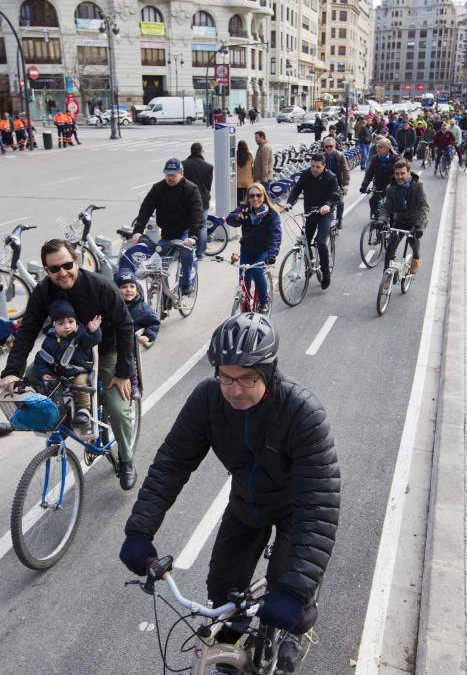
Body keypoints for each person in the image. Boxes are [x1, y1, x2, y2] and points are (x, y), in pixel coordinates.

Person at [119, 312, 340, 675]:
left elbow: (320, 507)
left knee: (293, 605)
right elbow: (172, 463)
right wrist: (140, 531)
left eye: (247, 379)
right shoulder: (208, 399)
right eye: (226, 376)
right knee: (222, 588)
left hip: (294, 511)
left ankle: (295, 629)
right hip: (246, 506)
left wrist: (297, 589)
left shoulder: (303, 414)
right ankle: (231, 651)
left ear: (268, 373)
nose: (234, 390)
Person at [0, 239, 138, 490]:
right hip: (63, 350)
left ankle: (126, 460)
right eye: (54, 269)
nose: (62, 272)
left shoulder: (101, 286)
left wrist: (123, 373)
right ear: (46, 270)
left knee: (118, 406)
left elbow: (126, 325)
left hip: (106, 345)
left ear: (76, 261)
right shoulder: (43, 291)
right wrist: (11, 373)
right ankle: (38, 420)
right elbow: (28, 331)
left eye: (67, 265)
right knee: (31, 380)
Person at [131, 158, 204, 296]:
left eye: (174, 175)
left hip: (185, 231)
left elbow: (197, 214)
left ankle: (186, 283)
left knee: (186, 252)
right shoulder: (158, 188)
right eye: (168, 174)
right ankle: (165, 294)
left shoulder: (190, 189)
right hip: (167, 232)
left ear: (181, 174)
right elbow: (146, 209)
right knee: (158, 262)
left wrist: (193, 236)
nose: (170, 178)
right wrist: (138, 231)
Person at [33, 300, 102, 426]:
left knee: (80, 384)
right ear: (54, 325)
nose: (67, 326)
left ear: (76, 322)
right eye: (61, 323)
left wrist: (93, 331)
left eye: (71, 322)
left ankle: (83, 410)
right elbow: (41, 359)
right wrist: (44, 373)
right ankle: (58, 414)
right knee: (49, 387)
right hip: (61, 376)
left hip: (80, 372)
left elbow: (93, 341)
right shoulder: (49, 341)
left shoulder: (81, 336)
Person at [285, 153, 340, 290]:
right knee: (305, 240)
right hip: (309, 213)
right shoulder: (305, 175)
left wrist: (328, 205)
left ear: (324, 166)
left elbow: (335, 195)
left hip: (324, 214)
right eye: (312, 166)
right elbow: (296, 190)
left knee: (320, 242)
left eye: (318, 167)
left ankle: (326, 274)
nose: (314, 169)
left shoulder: (331, 177)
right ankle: (309, 265)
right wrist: (289, 203)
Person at [226, 183, 281, 314]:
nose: (255, 198)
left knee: (257, 271)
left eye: (258, 195)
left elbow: (275, 235)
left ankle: (263, 301)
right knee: (243, 279)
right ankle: (245, 308)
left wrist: (272, 254)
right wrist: (236, 217)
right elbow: (229, 219)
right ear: (248, 198)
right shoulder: (244, 210)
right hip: (247, 250)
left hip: (264, 250)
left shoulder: (272, 214)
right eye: (251, 196)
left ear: (264, 196)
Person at [115, 270, 160, 399]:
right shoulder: (114, 306)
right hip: (113, 342)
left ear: (137, 289)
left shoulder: (142, 308)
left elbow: (154, 323)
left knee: (129, 360)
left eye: (132, 286)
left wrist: (147, 335)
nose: (128, 290)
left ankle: (134, 382)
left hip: (130, 345)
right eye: (123, 287)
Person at [380, 158, 430, 276]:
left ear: (408, 172)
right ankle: (387, 275)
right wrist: (382, 218)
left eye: (402, 173)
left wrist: (419, 225)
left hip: (416, 220)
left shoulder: (418, 185)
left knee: (412, 239)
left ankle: (416, 258)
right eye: (397, 174)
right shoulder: (391, 188)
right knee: (391, 246)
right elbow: (387, 206)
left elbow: (424, 205)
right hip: (401, 220)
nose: (399, 176)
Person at [182, 143, 214, 259]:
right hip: (203, 199)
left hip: (186, 200)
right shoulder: (209, 166)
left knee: (185, 225)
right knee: (203, 226)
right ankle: (200, 253)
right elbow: (209, 185)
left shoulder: (183, 165)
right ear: (200, 151)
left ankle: (186, 251)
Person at [360, 138, 400, 218]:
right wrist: (364, 186)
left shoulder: (396, 159)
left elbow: (401, 174)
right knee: (373, 200)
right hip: (379, 185)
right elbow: (369, 173)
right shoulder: (375, 159)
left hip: (392, 185)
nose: (378, 149)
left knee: (393, 206)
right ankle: (377, 216)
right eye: (377, 146)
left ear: (387, 148)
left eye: (381, 147)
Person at [323, 137, 350, 230]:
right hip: (326, 184)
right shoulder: (322, 157)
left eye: (331, 146)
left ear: (334, 146)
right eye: (327, 147)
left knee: (340, 202)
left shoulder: (340, 156)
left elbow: (346, 170)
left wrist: (346, 185)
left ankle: (339, 220)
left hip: (338, 184)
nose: (329, 148)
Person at [236, 139, 254, 204]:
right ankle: (246, 212)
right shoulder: (249, 156)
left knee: (239, 200)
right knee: (247, 199)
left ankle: (239, 211)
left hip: (238, 182)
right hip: (248, 181)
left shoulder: (235, 156)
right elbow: (252, 164)